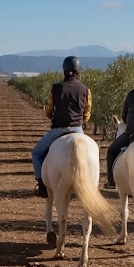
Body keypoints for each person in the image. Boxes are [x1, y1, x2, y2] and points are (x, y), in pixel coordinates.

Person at [30, 56, 92, 198]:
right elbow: (87, 112)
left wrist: (51, 115)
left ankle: (41, 186)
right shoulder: (85, 90)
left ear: (64, 71)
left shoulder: (56, 88)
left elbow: (49, 109)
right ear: (78, 72)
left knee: (37, 153)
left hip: (58, 130)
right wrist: (82, 120)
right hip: (77, 129)